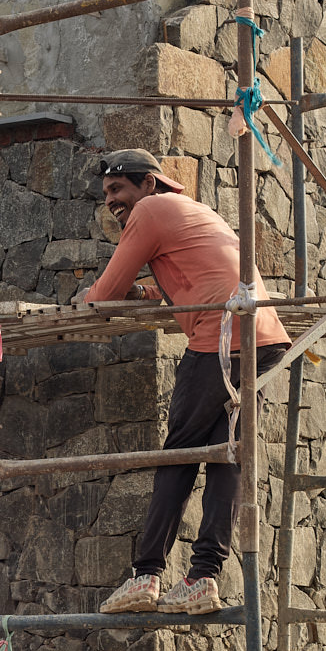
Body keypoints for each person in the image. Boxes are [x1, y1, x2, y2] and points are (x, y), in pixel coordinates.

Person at [85, 149, 290, 616]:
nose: (111, 200)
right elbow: (190, 280)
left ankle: (146, 575)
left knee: (178, 454)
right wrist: (145, 291)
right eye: (107, 193)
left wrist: (86, 299)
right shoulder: (191, 210)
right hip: (264, 338)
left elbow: (105, 293)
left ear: (149, 184)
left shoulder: (151, 210)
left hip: (222, 339)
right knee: (226, 454)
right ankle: (203, 577)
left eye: (117, 189)